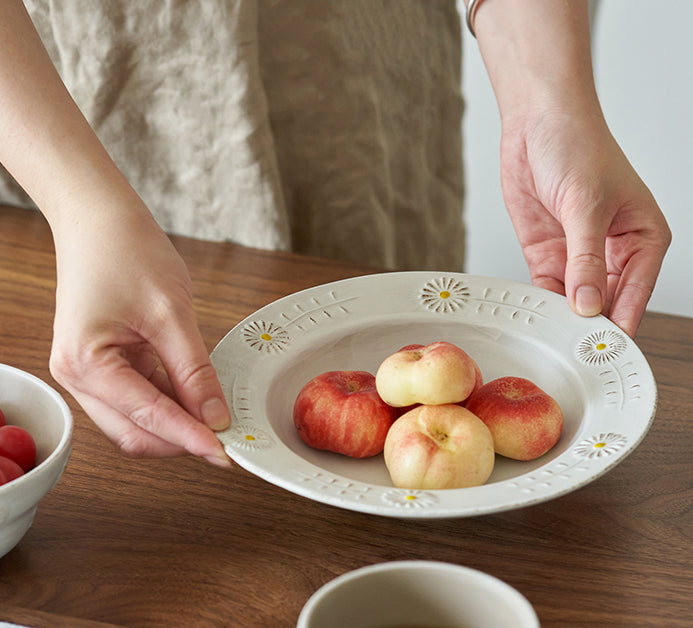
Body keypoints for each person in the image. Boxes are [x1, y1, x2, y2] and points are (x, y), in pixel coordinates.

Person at [0, 1, 671, 466]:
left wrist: (545, 104)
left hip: (356, 56)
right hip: (62, 94)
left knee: (374, 266)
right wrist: (81, 205)